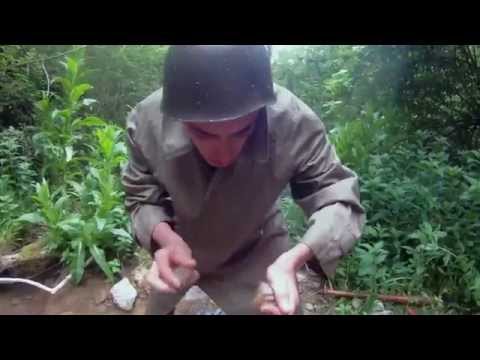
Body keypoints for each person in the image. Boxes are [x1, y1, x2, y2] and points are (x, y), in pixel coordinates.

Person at [122, 45, 365, 315]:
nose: (224, 155)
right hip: (180, 249)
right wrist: (164, 238)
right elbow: (139, 193)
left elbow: (337, 197)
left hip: (257, 251)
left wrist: (295, 259)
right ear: (179, 118)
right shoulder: (147, 121)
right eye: (203, 134)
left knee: (283, 309)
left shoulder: (293, 122)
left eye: (242, 131)